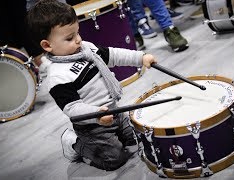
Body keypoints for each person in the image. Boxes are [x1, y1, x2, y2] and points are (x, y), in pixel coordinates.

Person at [26, 0, 157, 171]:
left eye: (78, 33)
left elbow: (113, 55)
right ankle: (74, 143)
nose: (79, 40)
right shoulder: (57, 76)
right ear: (47, 45)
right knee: (114, 159)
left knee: (141, 137)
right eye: (70, 38)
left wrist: (140, 57)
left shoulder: (87, 49)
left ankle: (115, 138)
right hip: (92, 126)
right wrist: (95, 116)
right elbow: (72, 108)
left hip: (114, 112)